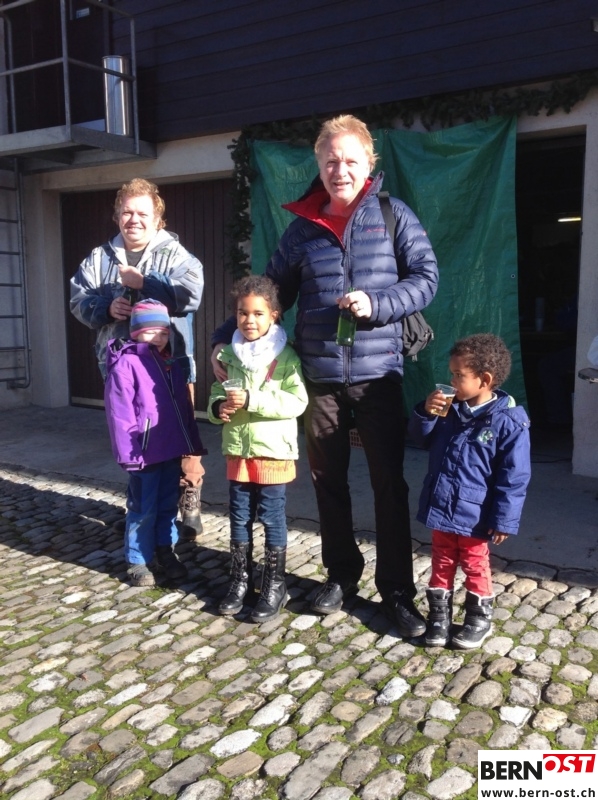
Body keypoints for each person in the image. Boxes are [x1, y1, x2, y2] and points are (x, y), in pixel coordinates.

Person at [212, 114, 438, 637]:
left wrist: (379, 303)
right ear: (319, 164)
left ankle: (396, 591)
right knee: (327, 481)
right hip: (317, 376)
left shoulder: (393, 214)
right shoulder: (302, 230)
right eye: (331, 160)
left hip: (378, 375)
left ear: (369, 163)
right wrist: (225, 337)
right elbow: (270, 293)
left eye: (351, 160)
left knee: (388, 484)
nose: (341, 170)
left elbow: (426, 278)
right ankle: (341, 576)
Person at [70, 178, 205, 539]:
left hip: (171, 368)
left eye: (143, 213)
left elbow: (191, 294)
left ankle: (189, 497)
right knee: (135, 439)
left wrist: (145, 281)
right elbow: (78, 300)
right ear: (117, 216)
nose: (134, 219)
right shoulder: (99, 258)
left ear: (157, 218)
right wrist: (105, 307)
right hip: (122, 372)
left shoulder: (174, 254)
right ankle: (141, 506)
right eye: (127, 212)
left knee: (180, 436)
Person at [408, 334, 531, 649]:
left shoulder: (508, 422)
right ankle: (439, 618)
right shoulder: (449, 410)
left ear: (484, 380)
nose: (451, 382)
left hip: (476, 515)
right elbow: (421, 439)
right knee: (441, 560)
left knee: (475, 564)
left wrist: (504, 519)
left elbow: (514, 477)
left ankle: (479, 619)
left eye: (458, 375)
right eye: (451, 374)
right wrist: (426, 412)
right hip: (441, 506)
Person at [209, 275, 308, 622]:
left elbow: (296, 401)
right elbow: (216, 393)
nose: (249, 320)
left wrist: (252, 399)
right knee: (238, 516)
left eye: (257, 313)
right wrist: (219, 408)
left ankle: (274, 584)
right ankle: (240, 580)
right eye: (242, 313)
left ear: (274, 315)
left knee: (271, 516)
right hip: (238, 451)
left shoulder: (286, 356)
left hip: (273, 452)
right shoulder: (227, 354)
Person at [104, 300, 205, 586]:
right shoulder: (127, 363)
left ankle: (165, 550)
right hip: (143, 454)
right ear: (136, 332)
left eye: (163, 332)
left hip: (171, 450)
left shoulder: (171, 364)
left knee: (167, 506)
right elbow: (120, 413)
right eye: (151, 331)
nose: (158, 337)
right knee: (142, 508)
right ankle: (137, 559)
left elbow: (183, 408)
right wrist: (129, 452)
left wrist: (190, 440)